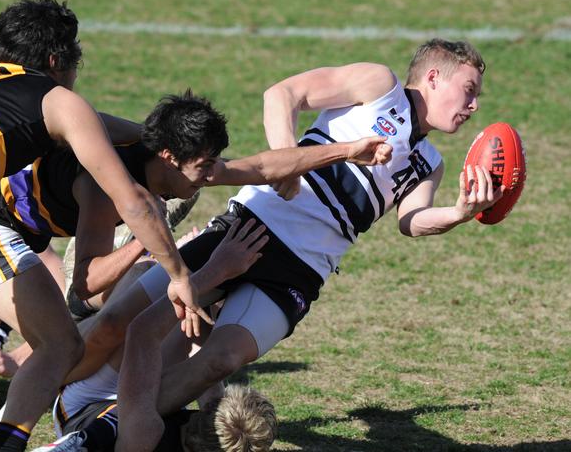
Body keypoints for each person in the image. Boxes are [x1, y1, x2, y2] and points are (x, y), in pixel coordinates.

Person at [84, 38, 504, 421]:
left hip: (302, 268)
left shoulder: (430, 162)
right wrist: (287, 161)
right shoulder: (380, 86)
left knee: (219, 360)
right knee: (119, 318)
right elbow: (283, 94)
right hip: (249, 227)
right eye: (469, 90)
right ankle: (58, 393)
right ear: (433, 77)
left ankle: (104, 430)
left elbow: (411, 221)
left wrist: (460, 212)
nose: (474, 106)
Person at [0, 0, 201, 452]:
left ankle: (3, 444)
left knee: (56, 346)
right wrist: (178, 273)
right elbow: (131, 200)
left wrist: (176, 149)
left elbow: (123, 130)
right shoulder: (56, 99)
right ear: (57, 60)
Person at [32, 218, 277, 452]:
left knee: (140, 289)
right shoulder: (193, 436)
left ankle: (89, 300)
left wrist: (212, 272)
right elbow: (206, 380)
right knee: (197, 333)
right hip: (129, 415)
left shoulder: (144, 433)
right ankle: (173, 271)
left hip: (84, 407)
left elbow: (142, 332)